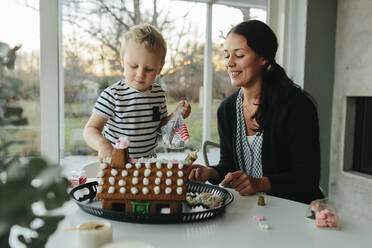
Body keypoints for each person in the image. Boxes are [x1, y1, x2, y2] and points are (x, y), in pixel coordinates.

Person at [188, 20, 323, 204]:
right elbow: (228, 165)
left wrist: (259, 183)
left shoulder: (297, 106)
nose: (229, 63)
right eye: (227, 55)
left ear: (263, 58)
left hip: (293, 211)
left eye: (239, 55)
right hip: (248, 211)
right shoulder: (227, 110)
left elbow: (307, 178)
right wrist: (210, 172)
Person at [84, 24, 191, 162]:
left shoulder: (158, 94)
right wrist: (103, 146)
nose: (140, 75)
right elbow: (90, 129)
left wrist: (176, 116)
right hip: (118, 165)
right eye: (133, 66)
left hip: (148, 165)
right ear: (123, 60)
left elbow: (159, 127)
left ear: (159, 68)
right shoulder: (113, 95)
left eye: (149, 69)